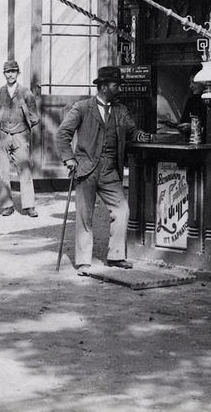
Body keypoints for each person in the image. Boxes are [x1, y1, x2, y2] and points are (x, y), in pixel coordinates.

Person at [57, 65, 142, 270]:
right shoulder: (82, 108)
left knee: (122, 210)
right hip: (86, 169)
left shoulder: (120, 111)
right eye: (115, 85)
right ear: (103, 87)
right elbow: (63, 134)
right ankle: (84, 261)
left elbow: (133, 132)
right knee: (85, 216)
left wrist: (147, 136)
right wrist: (69, 159)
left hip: (110, 170)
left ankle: (116, 256)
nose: (118, 89)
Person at [0, 59, 41, 217]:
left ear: (18, 73)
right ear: (4, 74)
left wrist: (25, 121)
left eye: (13, 71)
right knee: (3, 172)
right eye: (7, 72)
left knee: (24, 170)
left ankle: (29, 206)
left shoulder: (26, 93)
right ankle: (7, 205)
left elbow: (35, 116)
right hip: (1, 136)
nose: (10, 75)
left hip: (20, 136)